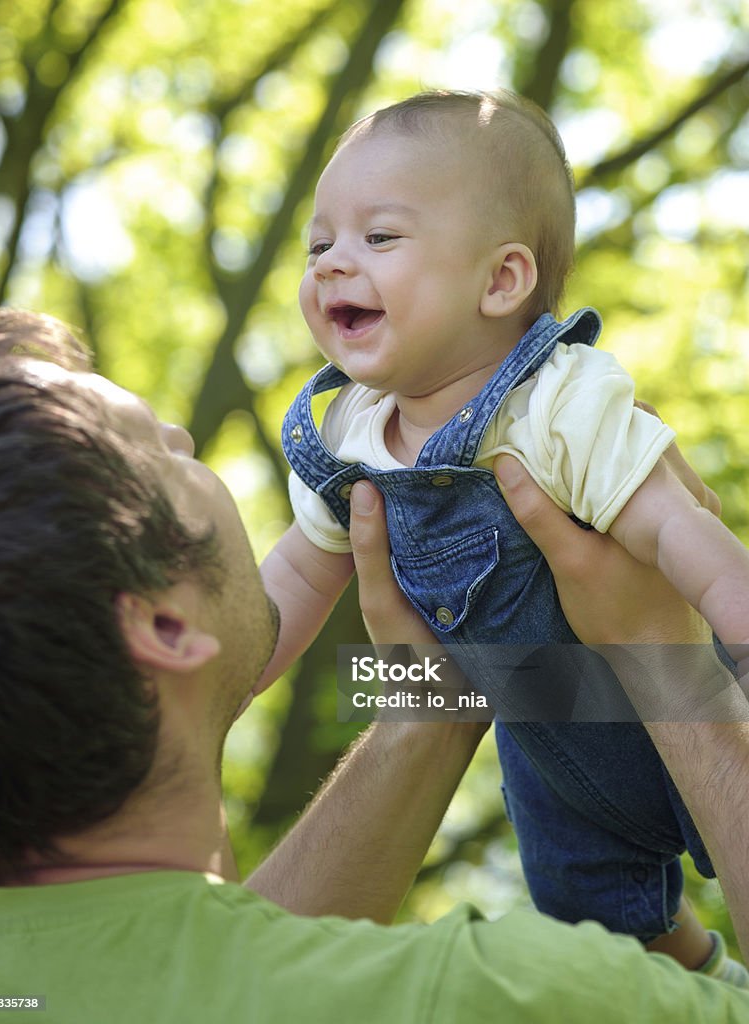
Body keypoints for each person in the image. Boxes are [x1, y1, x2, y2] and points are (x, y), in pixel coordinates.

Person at [0, 310, 748, 1021]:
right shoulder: (497, 997)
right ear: (169, 626)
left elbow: (216, 963)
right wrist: (672, 666)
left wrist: (428, 705)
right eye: (159, 449)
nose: (186, 437)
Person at [258, 88, 749, 976]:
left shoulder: (556, 400)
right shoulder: (347, 438)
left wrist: (735, 608)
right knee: (591, 919)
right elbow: (295, 579)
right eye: (319, 243)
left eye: (379, 238)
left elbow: (673, 522)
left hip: (666, 698)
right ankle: (694, 965)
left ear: (501, 280)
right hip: (530, 725)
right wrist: (233, 677)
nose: (331, 264)